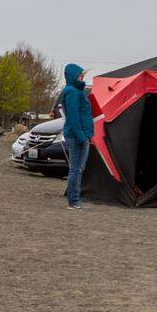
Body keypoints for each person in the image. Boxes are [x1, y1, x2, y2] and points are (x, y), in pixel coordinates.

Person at [55, 63, 93, 209]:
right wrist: (82, 136)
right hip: (77, 136)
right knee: (75, 169)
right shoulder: (71, 92)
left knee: (78, 168)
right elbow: (73, 117)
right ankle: (74, 201)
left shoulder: (77, 91)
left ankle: (76, 200)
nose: (82, 77)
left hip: (82, 135)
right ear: (72, 75)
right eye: (80, 75)